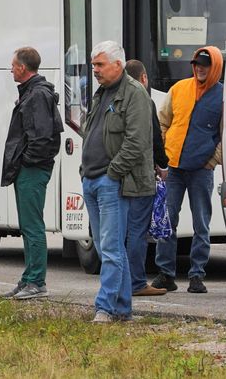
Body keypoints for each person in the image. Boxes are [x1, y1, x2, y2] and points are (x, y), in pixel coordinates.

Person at [80, 40, 153, 323]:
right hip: (92, 178)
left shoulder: (134, 94)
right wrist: (85, 170)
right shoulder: (101, 93)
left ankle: (105, 307)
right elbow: (92, 132)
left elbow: (136, 141)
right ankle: (122, 308)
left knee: (111, 248)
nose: (94, 70)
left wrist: (113, 172)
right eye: (93, 64)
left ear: (118, 65)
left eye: (99, 64)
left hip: (112, 181)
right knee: (106, 248)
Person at [151, 46, 224, 295]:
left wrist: (212, 161)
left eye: (205, 64)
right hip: (172, 168)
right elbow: (162, 121)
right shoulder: (178, 89)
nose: (200, 68)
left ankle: (197, 275)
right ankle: (165, 274)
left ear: (214, 67)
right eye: (196, 64)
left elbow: (225, 135)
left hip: (201, 170)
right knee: (166, 221)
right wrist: (161, 156)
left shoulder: (222, 96)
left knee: (201, 224)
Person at [0, 47, 63, 301]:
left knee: (32, 225)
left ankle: (36, 281)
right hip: (29, 167)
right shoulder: (35, 92)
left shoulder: (36, 95)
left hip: (32, 169)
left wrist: (26, 161)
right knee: (28, 225)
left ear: (23, 68)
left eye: (13, 65)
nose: (11, 69)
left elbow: (41, 136)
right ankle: (28, 278)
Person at [123, 59, 168, 297]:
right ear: (143, 78)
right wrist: (163, 164)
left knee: (123, 231)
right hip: (140, 175)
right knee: (138, 231)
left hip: (119, 176)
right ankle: (137, 282)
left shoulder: (117, 98)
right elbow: (153, 139)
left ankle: (123, 280)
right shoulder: (144, 100)